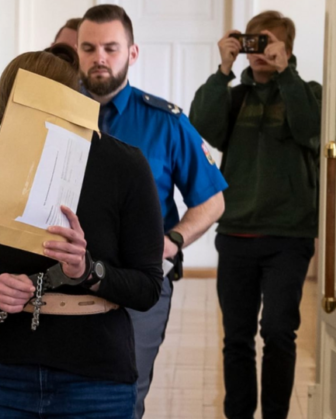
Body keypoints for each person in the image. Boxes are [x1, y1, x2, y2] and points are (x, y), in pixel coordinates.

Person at [0, 44, 164, 418]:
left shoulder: (124, 165)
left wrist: (88, 271)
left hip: (98, 375)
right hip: (8, 371)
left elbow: (148, 287)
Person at [76, 5, 228, 418]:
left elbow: (212, 200)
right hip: (66, 281)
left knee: (126, 394)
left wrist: (173, 241)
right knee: (70, 394)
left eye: (111, 48)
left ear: (133, 53)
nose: (99, 57)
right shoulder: (54, 117)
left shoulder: (166, 122)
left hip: (139, 280)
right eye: (89, 48)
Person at [189, 11, 321, 419]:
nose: (259, 50)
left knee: (279, 333)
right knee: (237, 338)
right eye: (253, 42)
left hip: (289, 235)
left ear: (287, 48)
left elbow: (311, 129)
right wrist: (222, 71)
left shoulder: (309, 92)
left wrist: (286, 74)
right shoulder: (234, 96)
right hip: (236, 233)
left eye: (268, 42)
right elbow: (201, 126)